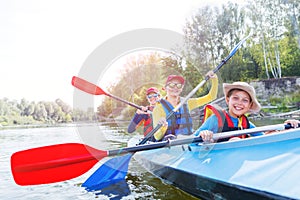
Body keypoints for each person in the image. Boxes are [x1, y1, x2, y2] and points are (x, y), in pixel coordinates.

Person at [194, 81, 300, 143]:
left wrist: (287, 126)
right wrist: (204, 134)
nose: (239, 103)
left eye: (245, 100)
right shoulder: (215, 120)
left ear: (249, 105)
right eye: (235, 98)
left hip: (236, 159)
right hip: (217, 159)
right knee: (234, 140)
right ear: (228, 100)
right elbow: (193, 140)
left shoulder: (246, 124)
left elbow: (264, 138)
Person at [152, 71, 218, 141]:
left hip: (189, 139)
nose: (175, 88)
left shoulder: (187, 102)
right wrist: (163, 127)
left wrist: (214, 79)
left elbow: (211, 97)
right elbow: (157, 137)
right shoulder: (159, 108)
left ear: (181, 88)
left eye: (179, 85)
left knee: (214, 119)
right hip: (171, 143)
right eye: (171, 85)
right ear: (165, 88)